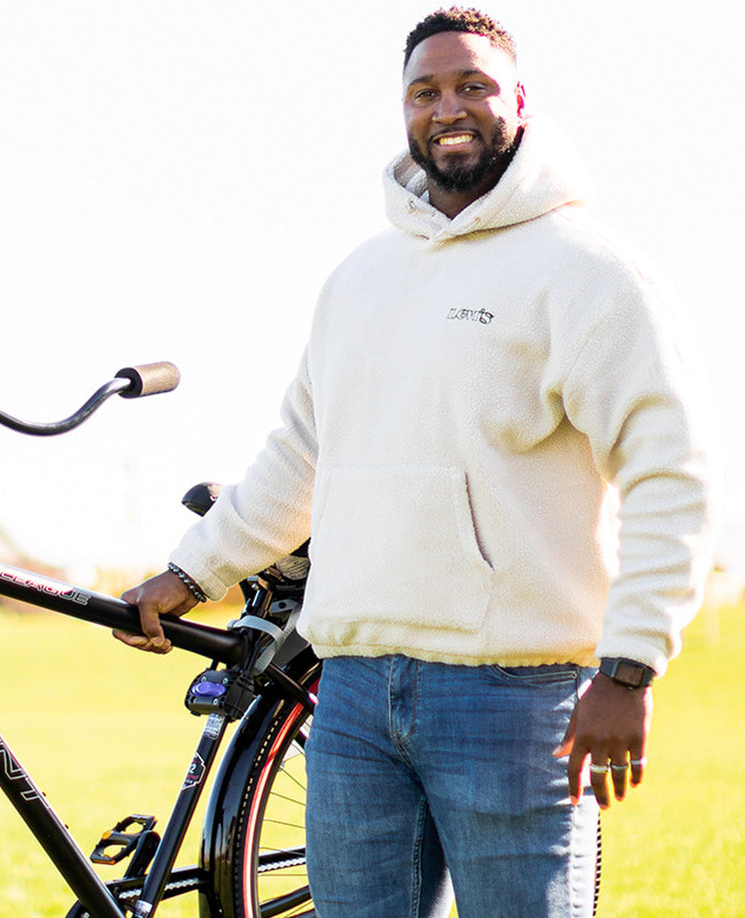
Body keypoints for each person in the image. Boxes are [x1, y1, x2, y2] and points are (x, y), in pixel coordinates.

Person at [115, 7, 721, 917]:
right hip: (351, 690)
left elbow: (672, 475)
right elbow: (301, 457)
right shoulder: (361, 277)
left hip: (515, 699)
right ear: (403, 110)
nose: (449, 106)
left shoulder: (590, 272)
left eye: (473, 84)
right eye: (425, 90)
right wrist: (191, 570)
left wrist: (630, 667)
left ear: (517, 99)